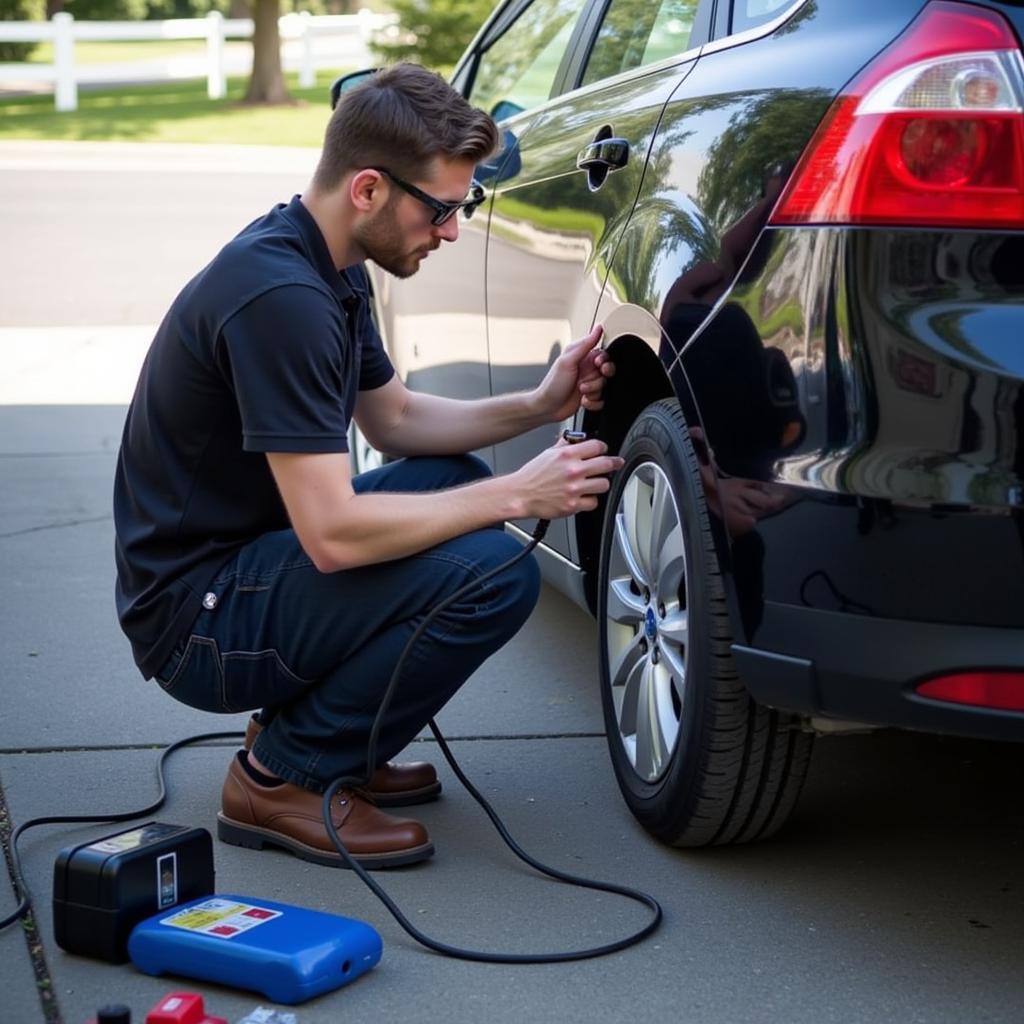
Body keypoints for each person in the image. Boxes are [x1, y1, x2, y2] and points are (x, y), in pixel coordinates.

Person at [113, 63, 620, 870]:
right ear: (369, 190)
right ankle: (283, 773)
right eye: (444, 208)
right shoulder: (280, 297)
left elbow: (398, 419)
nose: (452, 230)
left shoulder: (330, 265)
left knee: (450, 478)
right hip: (197, 621)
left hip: (245, 574)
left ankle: (321, 732)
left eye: (464, 206)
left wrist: (539, 404)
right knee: (494, 571)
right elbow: (334, 536)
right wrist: (517, 493)